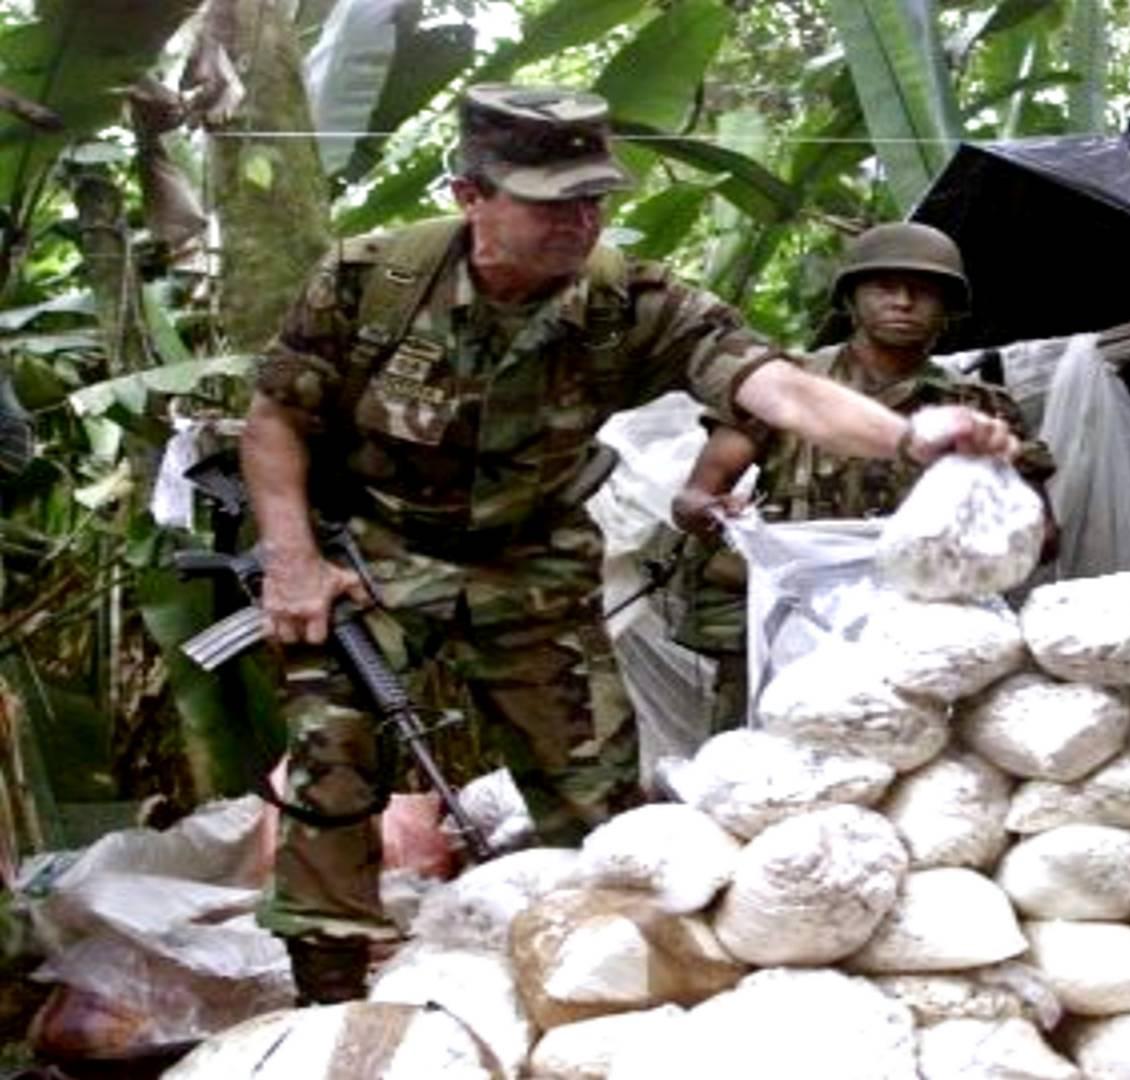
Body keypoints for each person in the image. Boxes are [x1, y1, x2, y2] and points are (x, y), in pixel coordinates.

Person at [240, 85, 1015, 1003]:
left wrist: (910, 436)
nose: (580, 221)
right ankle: (328, 990)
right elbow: (275, 418)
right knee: (332, 756)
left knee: (599, 799)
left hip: (533, 558)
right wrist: (292, 559)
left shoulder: (632, 301)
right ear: (471, 195)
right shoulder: (372, 280)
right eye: (550, 202)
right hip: (376, 548)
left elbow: (778, 389)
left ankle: (594, 983)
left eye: (594, 199)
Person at [667, 221, 1054, 737]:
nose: (903, 301)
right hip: (789, 610)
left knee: (917, 756)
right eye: (884, 287)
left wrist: (986, 525)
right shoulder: (790, 387)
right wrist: (712, 512)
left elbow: (1043, 536)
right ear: (850, 300)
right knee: (762, 753)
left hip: (923, 626)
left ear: (948, 307)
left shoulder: (980, 407)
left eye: (923, 291)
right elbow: (696, 495)